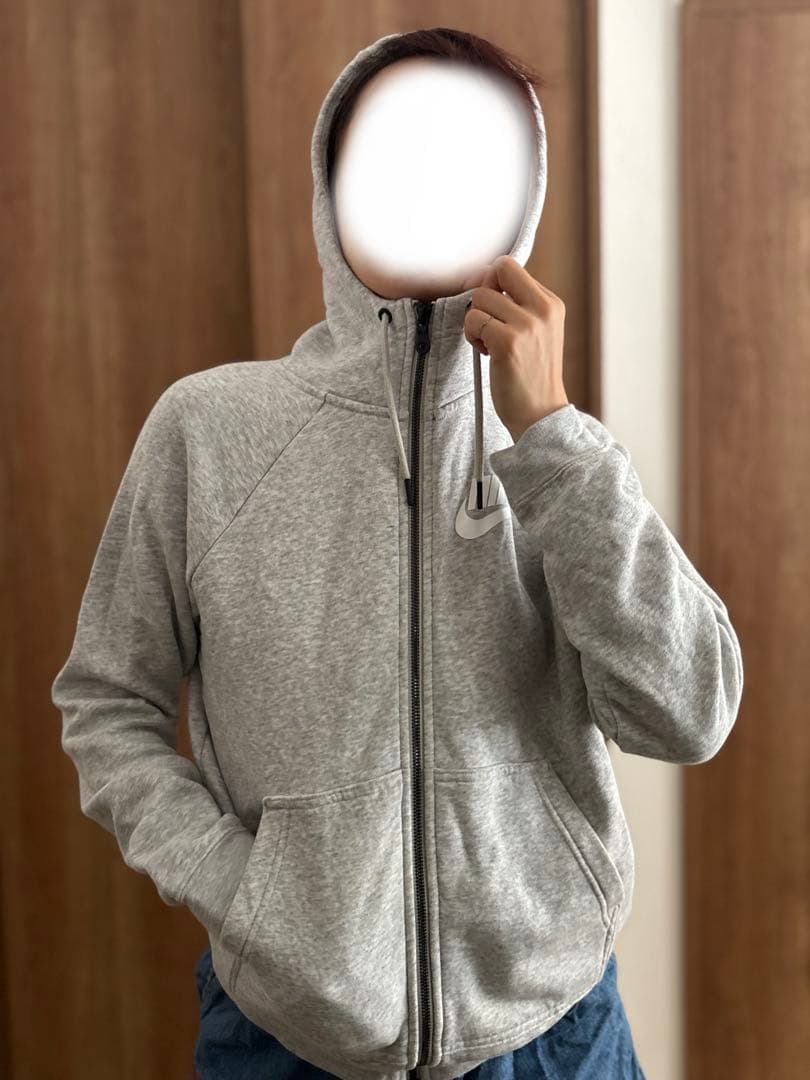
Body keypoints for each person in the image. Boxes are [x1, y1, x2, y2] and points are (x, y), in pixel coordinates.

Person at [51, 26, 743, 1080]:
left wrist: (554, 438)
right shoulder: (208, 431)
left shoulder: (557, 457)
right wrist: (244, 893)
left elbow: (688, 714)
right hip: (283, 1036)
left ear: (520, 201)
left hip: (554, 1035)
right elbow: (107, 702)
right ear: (331, 188)